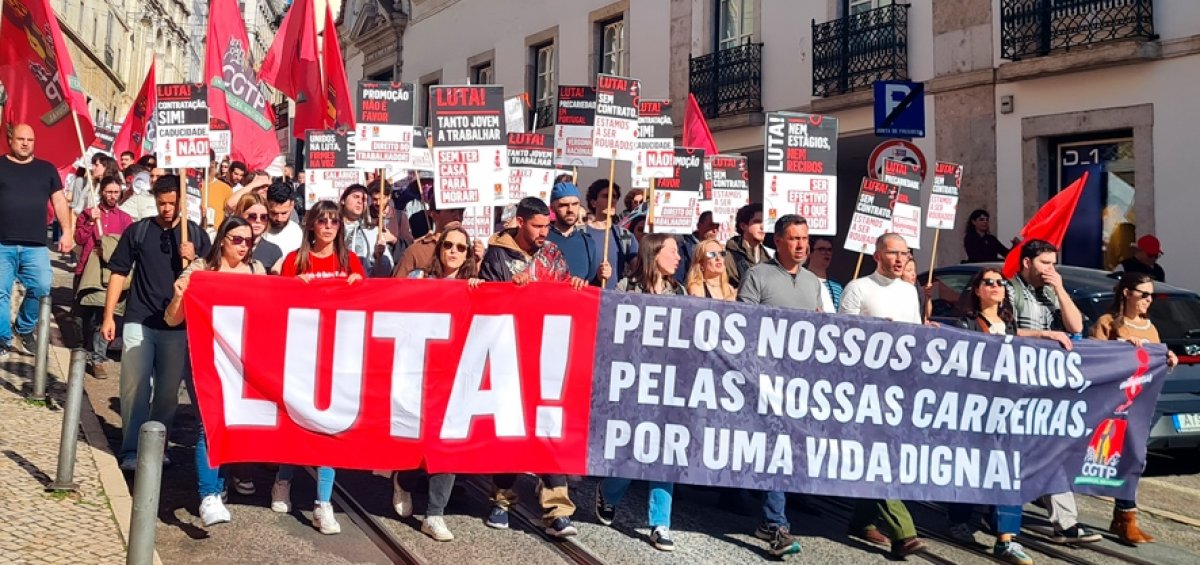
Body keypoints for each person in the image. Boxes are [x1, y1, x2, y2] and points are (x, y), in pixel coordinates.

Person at [477, 197, 581, 537]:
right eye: (537, 226)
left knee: (549, 427)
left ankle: (557, 508)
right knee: (511, 428)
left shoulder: (553, 254)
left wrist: (576, 287)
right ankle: (501, 499)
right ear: (520, 223)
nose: (544, 232)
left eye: (546, 226)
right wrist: (511, 290)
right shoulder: (497, 255)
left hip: (547, 353)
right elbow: (487, 302)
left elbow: (565, 293)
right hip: (509, 353)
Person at [101, 175, 211, 470]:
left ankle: (157, 446)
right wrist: (109, 315)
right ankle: (131, 449)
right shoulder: (138, 231)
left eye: (172, 203)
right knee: (135, 384)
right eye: (162, 203)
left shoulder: (196, 235)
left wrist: (195, 257)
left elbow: (210, 279)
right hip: (139, 319)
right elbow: (118, 272)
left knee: (167, 392)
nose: (167, 209)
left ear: (182, 201)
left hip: (178, 325)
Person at [162, 216, 265, 526]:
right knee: (209, 424)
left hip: (242, 362)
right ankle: (208, 494)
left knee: (230, 424)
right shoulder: (200, 270)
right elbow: (172, 319)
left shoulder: (256, 271)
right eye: (238, 240)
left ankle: (218, 487)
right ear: (222, 240)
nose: (244, 246)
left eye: (249, 241)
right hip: (204, 359)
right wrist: (180, 295)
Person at [271, 200, 364, 535]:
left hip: (337, 354)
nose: (328, 227)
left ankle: (323, 503)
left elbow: (366, 305)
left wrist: (359, 284)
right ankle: (283, 478)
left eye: (334, 222)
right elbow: (276, 304)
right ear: (311, 225)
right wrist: (294, 287)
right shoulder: (295, 260)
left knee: (329, 427)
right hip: (300, 353)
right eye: (322, 221)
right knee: (296, 421)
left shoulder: (349, 260)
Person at [735, 215, 822, 558]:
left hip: (799, 383)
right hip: (766, 380)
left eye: (805, 238)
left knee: (784, 450)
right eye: (794, 238)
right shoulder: (758, 275)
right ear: (778, 241)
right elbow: (742, 325)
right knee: (776, 447)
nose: (802, 245)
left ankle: (769, 515)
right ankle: (775, 523)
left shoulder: (812, 281)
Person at [1007, 239, 1102, 544]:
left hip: (1046, 384)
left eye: (1053, 263)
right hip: (1012, 383)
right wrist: (1043, 334)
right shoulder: (1008, 290)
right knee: (1007, 451)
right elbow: (1000, 332)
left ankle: (1066, 523)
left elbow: (1076, 328)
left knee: (1050, 449)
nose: (1050, 269)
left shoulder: (1050, 292)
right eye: (1045, 263)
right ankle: (990, 511)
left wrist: (1060, 289)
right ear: (1027, 262)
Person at [839, 233, 927, 558]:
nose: (900, 259)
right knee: (878, 455)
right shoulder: (858, 288)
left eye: (905, 253)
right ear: (877, 255)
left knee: (886, 455)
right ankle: (904, 533)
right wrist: (873, 330)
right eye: (893, 253)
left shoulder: (909, 291)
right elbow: (841, 336)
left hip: (899, 387)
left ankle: (862, 520)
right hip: (866, 387)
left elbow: (915, 336)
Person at [596, 233, 682, 552]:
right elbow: (610, 328)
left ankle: (660, 523)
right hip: (631, 382)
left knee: (665, 452)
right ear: (654, 254)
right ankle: (609, 491)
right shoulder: (626, 289)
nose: (678, 258)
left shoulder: (680, 293)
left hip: (667, 384)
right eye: (672, 251)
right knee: (633, 450)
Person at [393, 226, 479, 541]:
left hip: (457, 377)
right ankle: (403, 480)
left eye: (461, 247)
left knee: (448, 445)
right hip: (420, 373)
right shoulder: (420, 280)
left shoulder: (475, 287)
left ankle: (434, 514)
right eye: (448, 245)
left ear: (468, 255)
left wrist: (480, 292)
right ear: (439, 249)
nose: (454, 251)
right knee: (418, 439)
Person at [947, 268, 1036, 565]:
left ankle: (1006, 538)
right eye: (989, 282)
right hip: (975, 409)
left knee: (1008, 469)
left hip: (1007, 409)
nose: (996, 286)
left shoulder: (1009, 324)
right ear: (977, 290)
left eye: (1000, 283)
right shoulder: (966, 323)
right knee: (970, 465)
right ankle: (959, 517)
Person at [1090, 271, 1178, 544]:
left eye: (1152, 295)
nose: (1149, 300)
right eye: (1144, 294)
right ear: (1127, 293)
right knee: (1109, 458)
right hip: (1112, 405)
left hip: (1139, 405)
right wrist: (1122, 348)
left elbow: (1154, 360)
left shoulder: (1150, 327)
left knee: (1135, 458)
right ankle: (1122, 516)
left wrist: (1167, 359)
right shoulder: (1107, 322)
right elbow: (1093, 358)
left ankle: (1126, 517)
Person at [0, 123, 75, 359]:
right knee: (0, 293)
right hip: (2, 244)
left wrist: (67, 231)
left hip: (35, 245)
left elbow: (59, 201)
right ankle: (2, 338)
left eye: (30, 140)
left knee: (42, 287)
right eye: (21, 139)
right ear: (11, 140)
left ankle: (24, 329)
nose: (25, 143)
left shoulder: (46, 169)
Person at [73, 176, 134, 370]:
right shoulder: (88, 213)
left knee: (104, 315)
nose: (112, 196)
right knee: (82, 316)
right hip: (86, 270)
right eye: (109, 192)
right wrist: (91, 222)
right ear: (101, 192)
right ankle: (83, 350)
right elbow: (79, 239)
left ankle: (97, 358)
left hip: (109, 274)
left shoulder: (125, 219)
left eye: (116, 192)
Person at [392, 198, 482, 277]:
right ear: (434, 214)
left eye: (461, 212)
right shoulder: (416, 252)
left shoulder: (469, 251)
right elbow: (397, 286)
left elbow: (475, 286)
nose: (458, 216)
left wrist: (478, 261)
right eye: (452, 211)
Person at [546, 182, 608, 286]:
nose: (570, 210)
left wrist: (601, 276)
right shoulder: (542, 238)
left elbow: (591, 285)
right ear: (552, 207)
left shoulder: (587, 242)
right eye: (564, 205)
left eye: (575, 204)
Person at [584, 179, 638, 288]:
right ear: (593, 202)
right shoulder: (581, 234)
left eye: (614, 197)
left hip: (615, 296)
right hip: (588, 295)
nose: (612, 201)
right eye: (606, 196)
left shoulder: (625, 236)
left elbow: (638, 271)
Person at [340, 184, 394, 277]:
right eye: (356, 197)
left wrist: (379, 257)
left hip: (364, 282)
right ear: (343, 200)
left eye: (364, 199)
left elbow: (386, 271)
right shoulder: (331, 228)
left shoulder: (373, 231)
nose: (360, 201)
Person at [233, 193, 283, 273]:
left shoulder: (273, 251)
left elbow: (277, 279)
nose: (258, 221)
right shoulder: (227, 246)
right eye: (252, 216)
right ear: (240, 215)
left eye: (264, 217)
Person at [725, 203, 771, 289]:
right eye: (757, 222)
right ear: (743, 226)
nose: (762, 227)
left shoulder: (768, 258)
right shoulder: (728, 256)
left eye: (765, 222)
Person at [675, 211, 719, 284]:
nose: (715, 231)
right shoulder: (683, 247)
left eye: (717, 226)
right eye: (711, 226)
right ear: (699, 226)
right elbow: (677, 280)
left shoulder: (718, 249)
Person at [262, 181, 304, 256]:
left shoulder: (296, 232)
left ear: (292, 205)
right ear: (266, 204)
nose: (279, 218)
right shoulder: (258, 229)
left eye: (284, 213)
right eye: (274, 213)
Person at [805, 236, 843, 312]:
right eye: (822, 249)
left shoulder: (837, 286)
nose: (827, 253)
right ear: (810, 253)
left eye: (829, 250)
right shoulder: (801, 280)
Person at [203, 154, 233, 230]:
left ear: (213, 164)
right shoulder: (186, 185)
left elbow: (231, 216)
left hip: (214, 234)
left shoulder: (226, 188)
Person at [901, 257, 934, 323]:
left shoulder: (918, 288)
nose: (913, 274)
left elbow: (927, 315)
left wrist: (928, 297)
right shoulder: (895, 291)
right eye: (909, 270)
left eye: (914, 270)